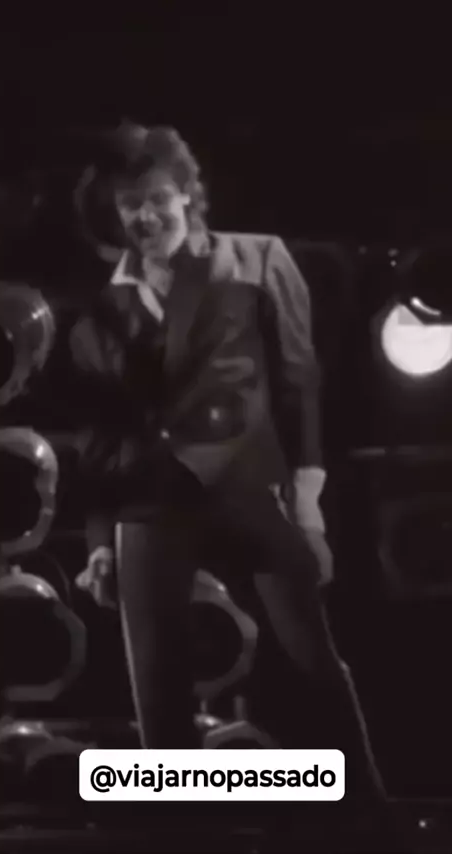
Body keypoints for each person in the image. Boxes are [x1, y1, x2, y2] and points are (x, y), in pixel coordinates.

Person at [70, 122, 384, 799]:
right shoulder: (105, 303)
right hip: (148, 505)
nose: (146, 216)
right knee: (159, 694)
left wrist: (309, 513)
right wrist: (99, 542)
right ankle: (184, 826)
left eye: (158, 198)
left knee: (313, 662)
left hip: (245, 489)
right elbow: (104, 434)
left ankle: (365, 808)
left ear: (187, 193)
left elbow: (299, 384)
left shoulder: (257, 259)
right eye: (130, 204)